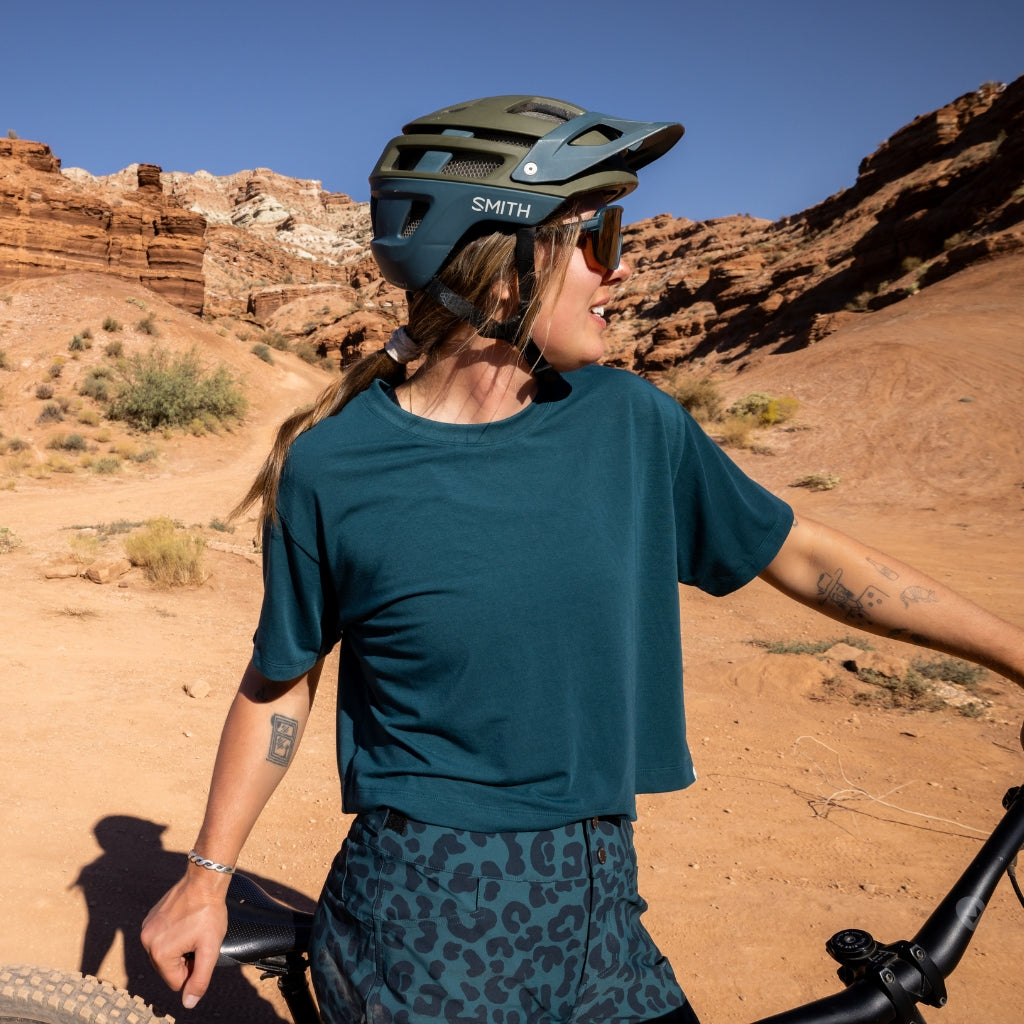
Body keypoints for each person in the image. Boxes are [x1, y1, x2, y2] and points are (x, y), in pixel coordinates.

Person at [141, 95, 1024, 1024]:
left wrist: (1016, 653)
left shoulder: (630, 424)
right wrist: (206, 876)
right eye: (596, 236)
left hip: (600, 904)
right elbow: (281, 680)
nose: (624, 265)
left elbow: (799, 554)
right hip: (421, 916)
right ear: (500, 271)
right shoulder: (332, 464)